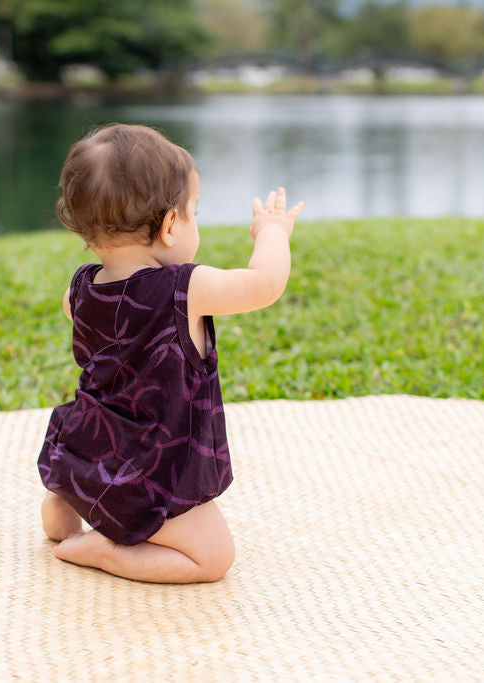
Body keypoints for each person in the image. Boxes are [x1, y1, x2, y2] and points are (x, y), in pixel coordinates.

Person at [38, 123, 304, 583]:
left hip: (87, 450)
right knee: (214, 559)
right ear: (168, 226)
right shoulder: (186, 289)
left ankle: (65, 501)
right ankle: (109, 552)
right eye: (194, 212)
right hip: (155, 467)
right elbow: (265, 284)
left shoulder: (79, 289)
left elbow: (83, 316)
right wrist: (273, 233)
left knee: (82, 479)